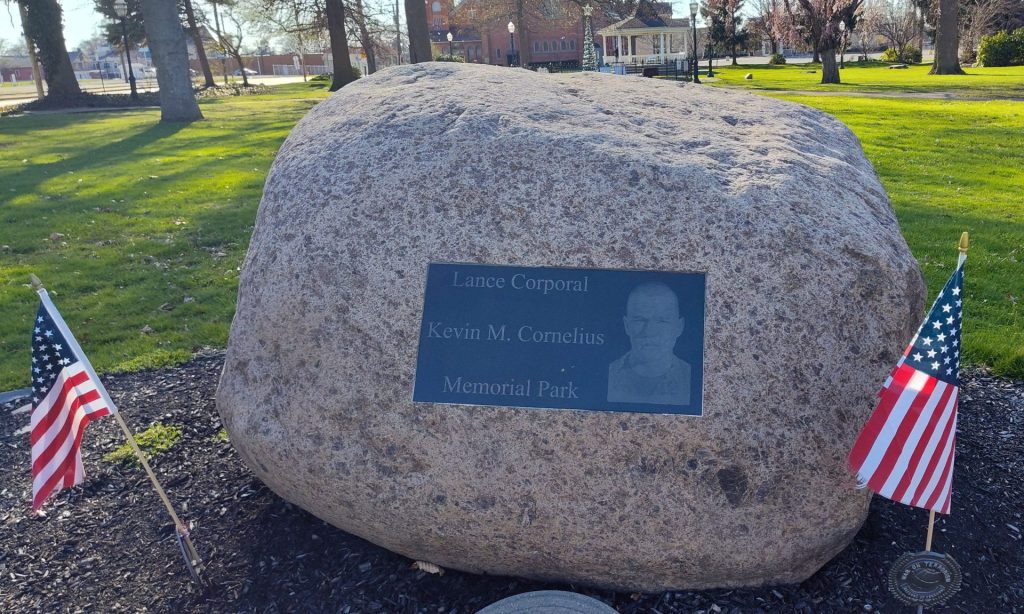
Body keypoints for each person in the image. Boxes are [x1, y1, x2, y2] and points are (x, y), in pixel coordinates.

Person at [607, 282, 690, 406]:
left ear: (679, 327)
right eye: (640, 320)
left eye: (662, 321)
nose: (650, 331)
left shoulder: (692, 379)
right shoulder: (607, 374)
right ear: (627, 325)